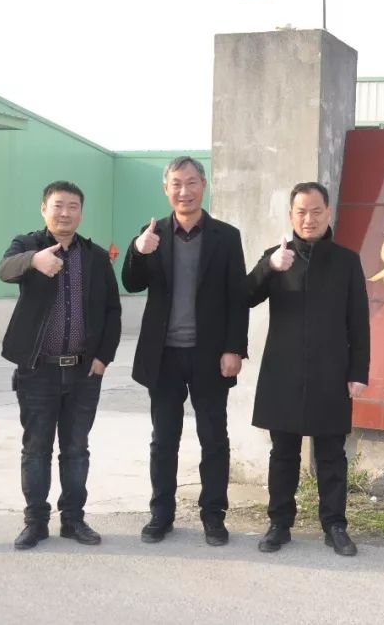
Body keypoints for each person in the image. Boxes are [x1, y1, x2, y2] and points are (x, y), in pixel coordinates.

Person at [121, 156, 248, 546]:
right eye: (176, 183)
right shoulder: (152, 234)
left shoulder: (226, 236)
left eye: (192, 182)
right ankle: (161, 514)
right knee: (164, 439)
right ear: (166, 189)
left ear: (203, 185)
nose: (184, 191)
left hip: (210, 355)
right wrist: (138, 250)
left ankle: (214, 516)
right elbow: (131, 282)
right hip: (164, 356)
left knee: (214, 438)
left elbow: (237, 297)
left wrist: (234, 349)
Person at [246, 182, 370, 557]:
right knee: (283, 454)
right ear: (291, 216)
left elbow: (358, 322)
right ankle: (279, 524)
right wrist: (269, 268)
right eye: (301, 212)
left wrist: (358, 372)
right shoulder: (277, 257)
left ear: (328, 212)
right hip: (283, 373)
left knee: (331, 454)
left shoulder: (346, 261)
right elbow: (243, 296)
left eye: (316, 211)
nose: (309, 219)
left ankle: (335, 525)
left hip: (330, 372)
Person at [0, 181, 122, 550]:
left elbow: (112, 310)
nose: (65, 213)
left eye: (72, 206)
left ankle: (73, 520)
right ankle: (35, 522)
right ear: (44, 209)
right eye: (57, 205)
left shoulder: (95, 257)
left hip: (84, 372)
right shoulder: (26, 245)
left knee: (76, 449)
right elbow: (4, 269)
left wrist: (102, 358)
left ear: (81, 212)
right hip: (38, 370)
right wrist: (33, 261)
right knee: (36, 448)